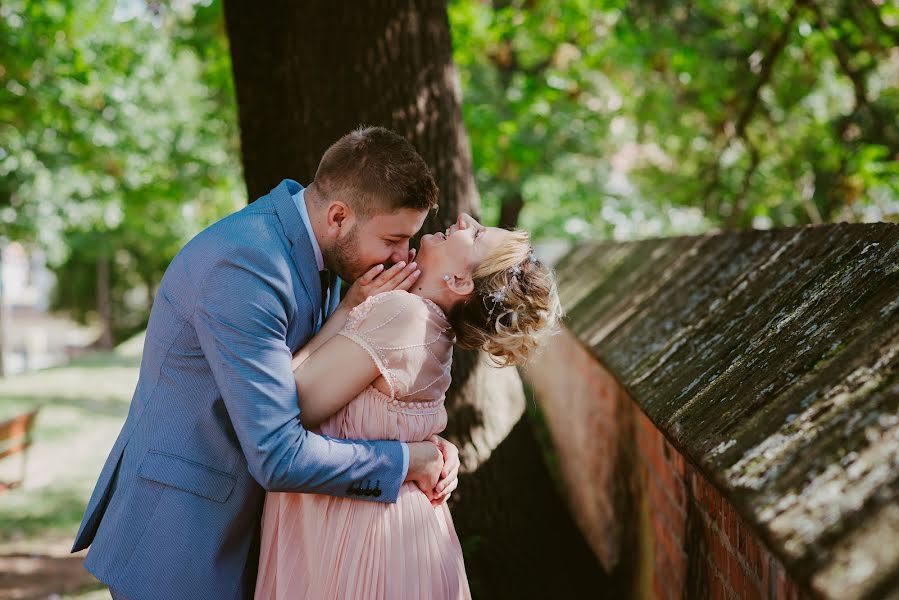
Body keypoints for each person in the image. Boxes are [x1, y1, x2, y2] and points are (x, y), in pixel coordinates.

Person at [71, 127, 462, 599]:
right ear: (338, 215)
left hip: (248, 529)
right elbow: (278, 454)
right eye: (394, 239)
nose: (405, 256)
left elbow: (320, 389)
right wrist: (403, 463)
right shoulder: (246, 266)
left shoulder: (328, 253)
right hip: (184, 541)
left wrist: (432, 448)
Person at [255, 212, 562, 599]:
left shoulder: (405, 315)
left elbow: (287, 404)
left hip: (359, 537)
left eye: (477, 233)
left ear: (460, 281)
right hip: (399, 532)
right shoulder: (435, 330)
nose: (465, 219)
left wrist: (348, 309)